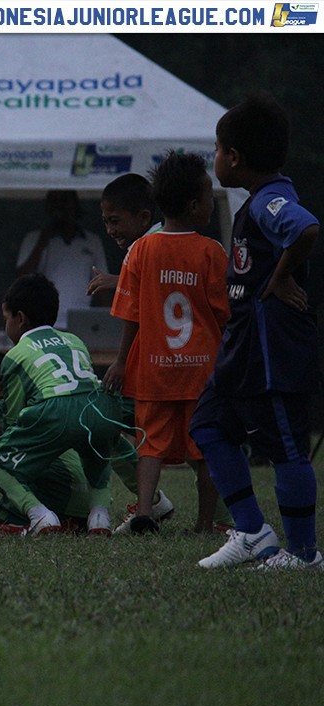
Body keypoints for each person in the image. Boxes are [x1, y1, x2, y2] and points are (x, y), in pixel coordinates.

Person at [191, 95, 322, 570]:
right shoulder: (255, 202)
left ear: (236, 157)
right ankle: (252, 531)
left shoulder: (270, 201)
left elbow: (305, 229)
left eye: (218, 149)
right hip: (242, 350)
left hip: (271, 353)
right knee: (206, 424)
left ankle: (305, 554)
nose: (216, 157)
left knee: (287, 448)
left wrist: (281, 276)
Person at [103, 151, 230, 534]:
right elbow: (225, 313)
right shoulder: (211, 251)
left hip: (156, 370)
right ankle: (205, 523)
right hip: (202, 372)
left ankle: (144, 512)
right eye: (209, 194)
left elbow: (131, 314)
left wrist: (122, 361)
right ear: (194, 205)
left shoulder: (142, 250)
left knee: (150, 445)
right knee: (206, 446)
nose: (211, 200)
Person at [0, 273, 124, 535]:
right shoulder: (75, 340)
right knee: (98, 455)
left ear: (20, 318)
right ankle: (99, 517)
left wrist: (9, 436)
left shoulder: (15, 355)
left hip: (54, 412)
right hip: (99, 407)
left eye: (6, 318)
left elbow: (15, 417)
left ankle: (40, 515)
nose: (6, 325)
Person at [16, 190, 108, 329]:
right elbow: (21, 279)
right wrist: (41, 243)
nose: (61, 210)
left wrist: (106, 321)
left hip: (81, 321)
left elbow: (102, 286)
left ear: (75, 207)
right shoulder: (33, 239)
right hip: (44, 322)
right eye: (56, 205)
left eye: (65, 203)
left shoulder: (92, 241)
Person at [86, 174, 160, 298]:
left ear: (144, 217)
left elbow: (164, 286)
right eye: (106, 221)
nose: (109, 230)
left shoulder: (156, 246)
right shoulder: (140, 248)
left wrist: (118, 281)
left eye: (115, 221)